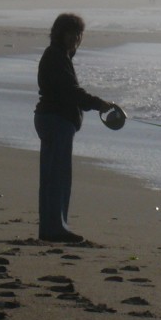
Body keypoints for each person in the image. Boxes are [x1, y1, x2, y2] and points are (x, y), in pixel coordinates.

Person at [34, 13, 116, 243]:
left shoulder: (61, 56)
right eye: (71, 33)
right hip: (54, 120)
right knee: (56, 177)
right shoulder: (55, 57)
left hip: (56, 121)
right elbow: (71, 92)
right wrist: (99, 104)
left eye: (79, 34)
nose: (76, 38)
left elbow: (70, 92)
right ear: (60, 33)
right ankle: (53, 229)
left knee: (56, 176)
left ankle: (54, 226)